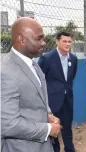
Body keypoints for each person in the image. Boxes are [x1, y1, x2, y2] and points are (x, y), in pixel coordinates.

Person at [1, 17, 61, 152]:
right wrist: (48, 129)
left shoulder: (32, 64)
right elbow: (8, 125)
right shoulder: (5, 72)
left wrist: (47, 115)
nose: (43, 43)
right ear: (21, 40)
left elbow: (31, 102)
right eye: (38, 39)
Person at [38, 31, 78, 152]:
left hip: (67, 101)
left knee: (67, 128)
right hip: (52, 102)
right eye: (64, 41)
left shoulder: (74, 59)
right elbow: (40, 79)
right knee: (53, 131)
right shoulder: (46, 58)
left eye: (69, 41)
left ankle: (69, 149)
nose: (67, 44)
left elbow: (70, 79)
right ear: (57, 42)